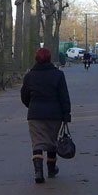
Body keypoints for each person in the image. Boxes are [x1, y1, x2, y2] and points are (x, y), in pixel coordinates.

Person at [20, 46, 71, 183]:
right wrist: (66, 114)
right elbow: (64, 96)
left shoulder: (30, 76)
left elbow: (24, 95)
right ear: (49, 58)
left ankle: (38, 172)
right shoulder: (58, 75)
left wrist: (30, 105)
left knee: (37, 143)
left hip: (35, 114)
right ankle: (51, 168)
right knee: (52, 142)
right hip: (55, 114)